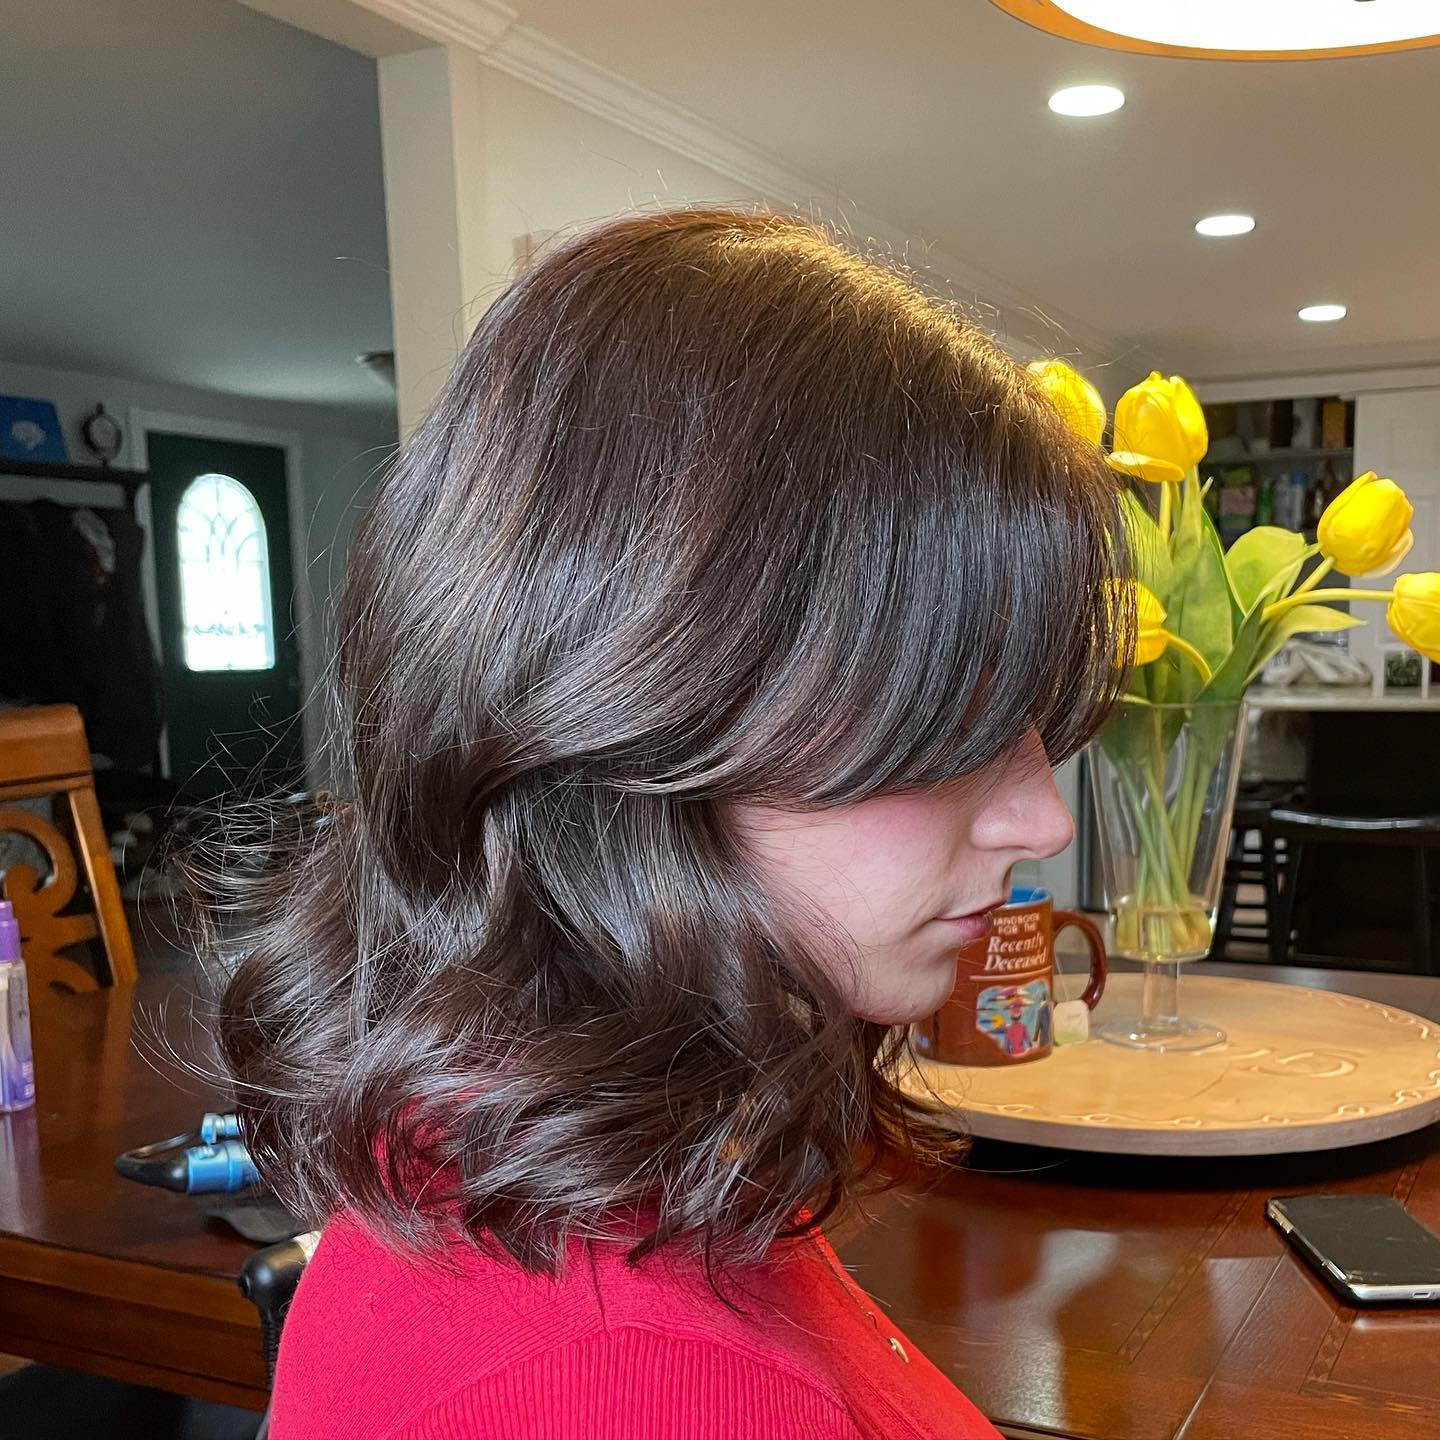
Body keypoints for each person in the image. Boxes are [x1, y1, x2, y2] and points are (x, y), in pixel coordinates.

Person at [206, 209, 1129, 1439]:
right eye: (958, 722)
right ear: (646, 707)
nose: (1042, 818)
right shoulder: (620, 1382)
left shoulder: (580, 1153)